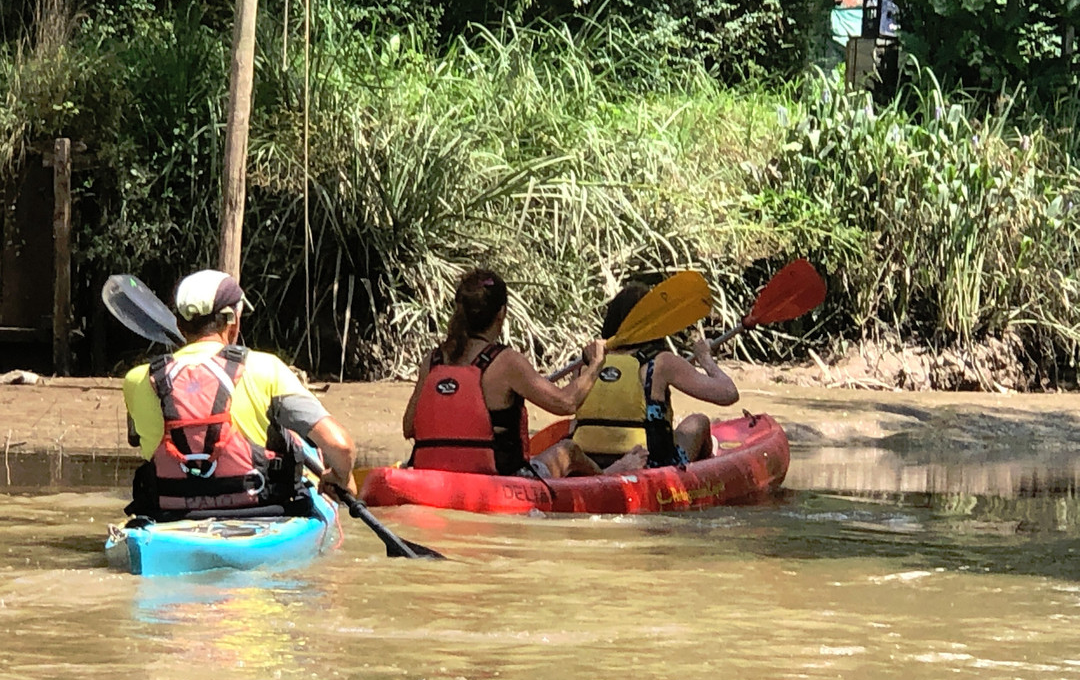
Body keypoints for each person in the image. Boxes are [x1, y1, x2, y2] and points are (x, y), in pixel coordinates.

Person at [123, 269, 357, 517]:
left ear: (180, 324)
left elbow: (138, 439)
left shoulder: (137, 379)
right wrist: (341, 478)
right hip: (261, 511)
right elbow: (340, 446)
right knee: (290, 442)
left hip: (167, 514)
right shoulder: (266, 368)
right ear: (233, 320)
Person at [402, 268, 647, 479]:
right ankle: (610, 474)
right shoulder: (506, 362)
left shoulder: (432, 361)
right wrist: (595, 364)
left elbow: (408, 428)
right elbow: (567, 403)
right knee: (568, 450)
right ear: (501, 313)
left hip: (434, 475)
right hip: (501, 480)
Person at [572, 281, 739, 469]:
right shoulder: (662, 362)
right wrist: (705, 358)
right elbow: (729, 394)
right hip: (648, 464)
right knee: (698, 422)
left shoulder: (588, 363)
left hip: (589, 465)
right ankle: (707, 468)